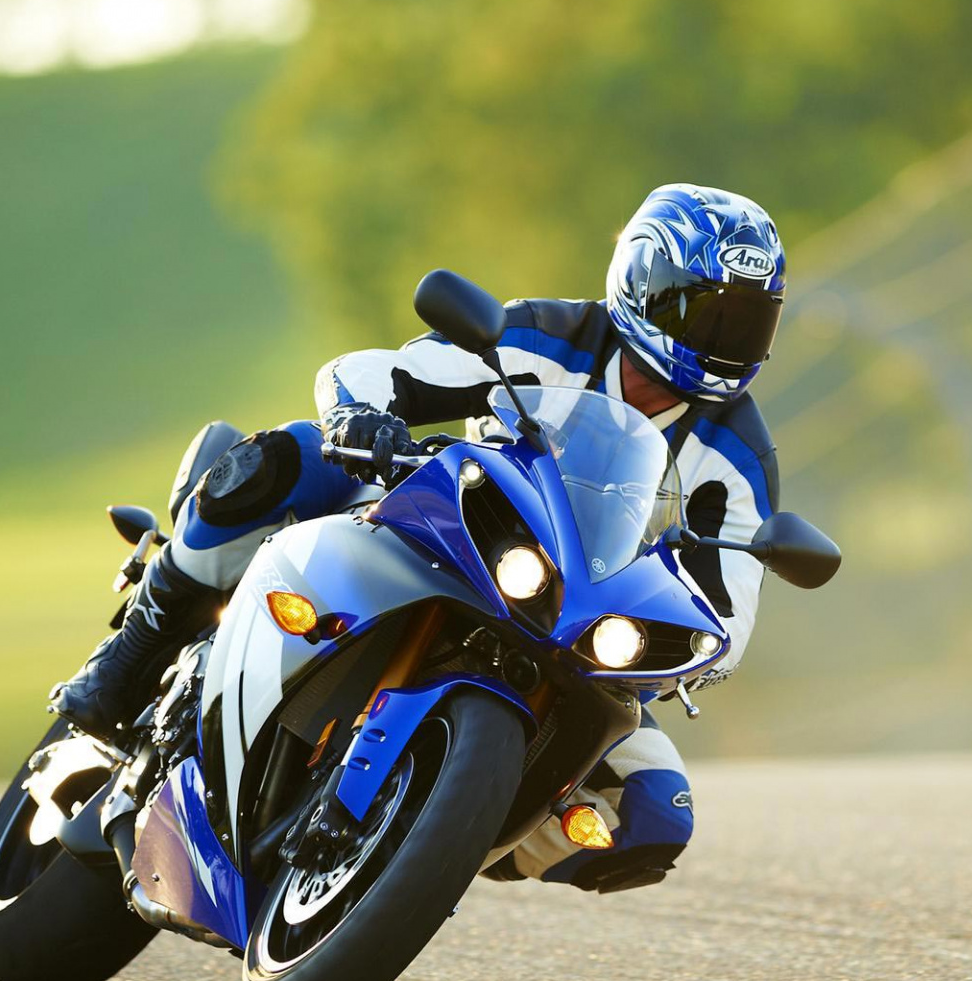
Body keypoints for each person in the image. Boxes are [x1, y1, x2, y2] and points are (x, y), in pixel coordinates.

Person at [51, 183, 785, 893]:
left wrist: (682, 651)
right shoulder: (544, 336)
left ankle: (434, 837)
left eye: (747, 324)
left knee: (655, 811)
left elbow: (729, 614)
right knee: (280, 461)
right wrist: (359, 418)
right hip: (454, 537)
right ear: (645, 282)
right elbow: (372, 372)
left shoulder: (739, 458)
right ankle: (129, 654)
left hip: (580, 632)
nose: (722, 343)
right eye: (706, 313)